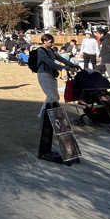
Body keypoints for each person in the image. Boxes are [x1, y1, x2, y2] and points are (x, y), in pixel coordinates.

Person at [35, 33, 78, 163]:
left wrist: (71, 64)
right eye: (49, 41)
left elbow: (60, 58)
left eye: (51, 41)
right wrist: (63, 67)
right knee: (52, 96)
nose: (51, 43)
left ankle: (44, 112)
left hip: (51, 74)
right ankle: (43, 112)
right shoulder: (40, 51)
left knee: (55, 96)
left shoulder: (52, 50)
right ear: (43, 41)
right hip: (43, 74)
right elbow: (49, 62)